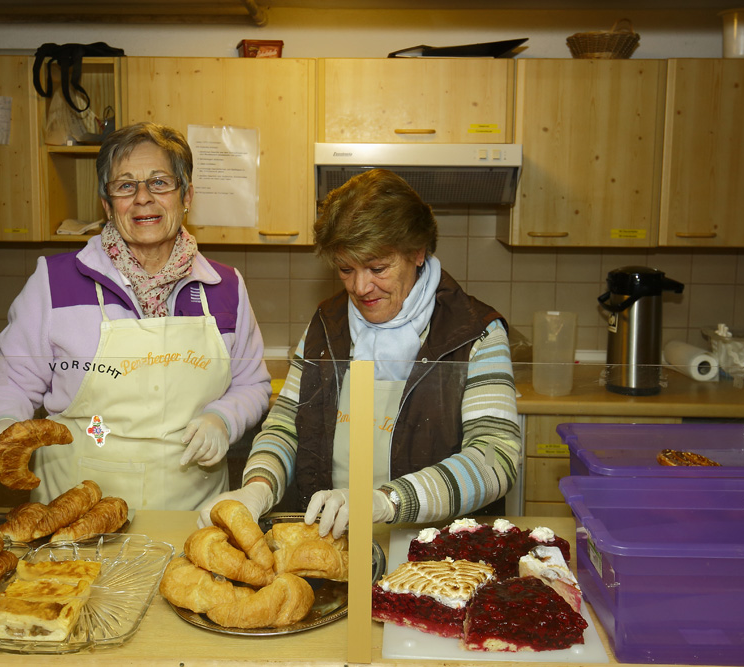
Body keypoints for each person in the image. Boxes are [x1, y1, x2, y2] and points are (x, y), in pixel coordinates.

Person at [0, 122, 271, 509]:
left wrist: (224, 418)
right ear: (107, 205)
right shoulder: (55, 280)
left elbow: (253, 384)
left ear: (187, 195)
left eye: (160, 182)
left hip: (188, 517)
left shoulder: (225, 286)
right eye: (125, 186)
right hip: (73, 515)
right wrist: (2, 420)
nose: (143, 198)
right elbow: (9, 379)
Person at [199, 169, 520, 537]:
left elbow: (495, 458)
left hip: (435, 557)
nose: (361, 287)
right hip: (334, 540)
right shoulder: (327, 325)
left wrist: (387, 501)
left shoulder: (474, 332)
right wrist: (258, 485)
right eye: (346, 269)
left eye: (378, 267)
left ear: (418, 251)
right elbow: (287, 426)